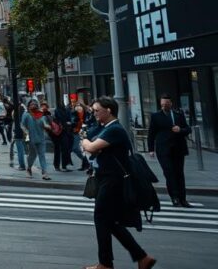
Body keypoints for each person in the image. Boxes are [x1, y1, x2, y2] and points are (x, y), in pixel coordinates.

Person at [81, 97, 157, 269]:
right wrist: (88, 142)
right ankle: (141, 257)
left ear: (109, 110)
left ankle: (105, 264)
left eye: (97, 110)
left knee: (101, 218)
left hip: (112, 180)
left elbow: (91, 147)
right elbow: (89, 138)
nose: (94, 113)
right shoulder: (104, 128)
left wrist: (87, 143)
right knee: (110, 221)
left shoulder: (114, 129)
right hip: (106, 178)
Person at [147, 94, 192, 207]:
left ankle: (183, 199)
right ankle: (175, 197)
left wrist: (180, 130)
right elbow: (151, 133)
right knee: (169, 173)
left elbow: (188, 129)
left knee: (179, 173)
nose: (164, 106)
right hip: (163, 149)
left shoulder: (178, 114)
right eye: (162, 104)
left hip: (178, 148)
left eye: (166, 104)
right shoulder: (156, 116)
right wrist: (151, 149)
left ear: (171, 104)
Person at [21, 99, 51, 180]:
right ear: (28, 106)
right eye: (31, 104)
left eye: (35, 104)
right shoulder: (26, 114)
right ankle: (29, 168)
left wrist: (47, 126)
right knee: (32, 155)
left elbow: (44, 123)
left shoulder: (40, 114)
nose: (33, 105)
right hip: (31, 138)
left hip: (41, 138)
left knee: (42, 155)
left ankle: (44, 173)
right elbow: (22, 125)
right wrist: (26, 132)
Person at [52, 100, 74, 171]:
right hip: (61, 131)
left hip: (60, 132)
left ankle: (59, 165)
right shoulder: (64, 111)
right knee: (62, 148)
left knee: (61, 148)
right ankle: (62, 165)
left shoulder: (58, 111)